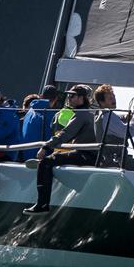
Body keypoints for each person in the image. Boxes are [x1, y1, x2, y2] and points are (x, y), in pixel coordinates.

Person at [24, 84, 96, 214]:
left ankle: (42, 204)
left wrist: (45, 147)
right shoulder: (88, 113)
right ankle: (79, 185)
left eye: (72, 95)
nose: (68, 98)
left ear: (81, 98)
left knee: (46, 162)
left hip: (84, 155)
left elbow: (65, 133)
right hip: (89, 155)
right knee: (53, 161)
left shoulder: (81, 114)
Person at [20, 85, 60, 160]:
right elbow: (51, 137)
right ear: (56, 98)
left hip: (25, 157)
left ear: (41, 96)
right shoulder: (52, 115)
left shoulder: (29, 112)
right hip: (41, 159)